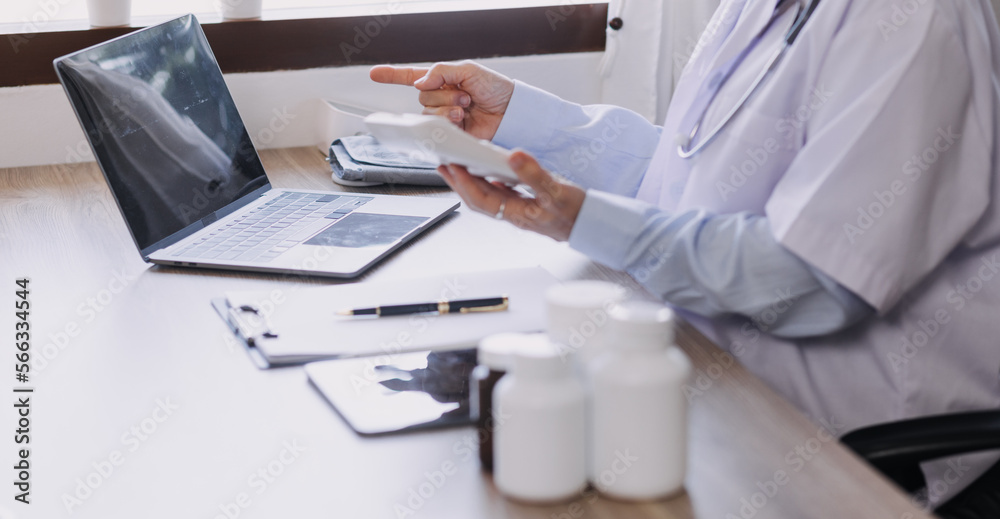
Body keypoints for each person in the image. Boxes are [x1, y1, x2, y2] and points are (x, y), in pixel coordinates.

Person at [371, 0, 1000, 512]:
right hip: (717, 384)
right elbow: (689, 182)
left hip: (856, 452)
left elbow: (808, 282)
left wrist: (580, 218)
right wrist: (530, 122)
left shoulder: (915, 21)